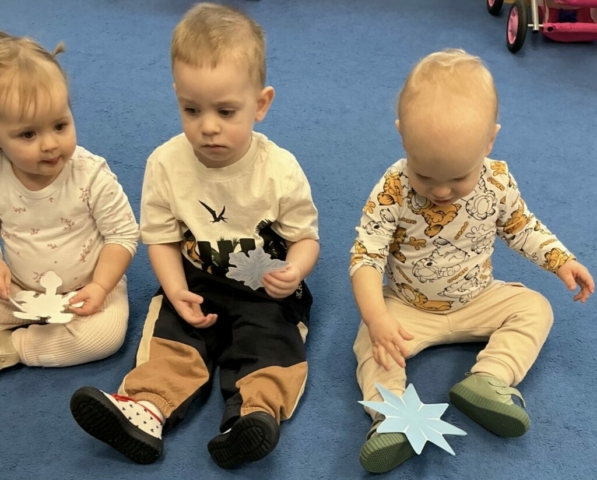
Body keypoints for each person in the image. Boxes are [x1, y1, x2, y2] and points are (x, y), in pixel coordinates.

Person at [70, 2, 320, 469]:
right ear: (177, 97)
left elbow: (306, 238)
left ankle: (253, 415)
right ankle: (146, 408)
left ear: (260, 104)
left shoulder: (280, 170)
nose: (208, 127)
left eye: (226, 111)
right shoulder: (165, 164)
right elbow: (161, 237)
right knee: (172, 338)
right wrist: (174, 289)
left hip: (264, 288)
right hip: (196, 283)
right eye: (191, 109)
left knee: (271, 343)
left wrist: (295, 270)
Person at [349, 48, 594, 474]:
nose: (441, 192)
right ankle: (392, 416)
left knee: (535, 308)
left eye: (459, 177)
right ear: (403, 136)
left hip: (478, 298)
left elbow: (521, 227)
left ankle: (490, 378)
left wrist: (560, 260)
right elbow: (366, 256)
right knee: (371, 344)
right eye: (425, 176)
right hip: (408, 307)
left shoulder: (497, 180)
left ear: (489, 141)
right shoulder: (393, 186)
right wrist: (377, 318)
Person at [0, 32, 139, 371]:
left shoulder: (90, 174)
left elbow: (123, 235)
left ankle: (17, 347)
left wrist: (101, 286)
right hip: (17, 288)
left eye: (60, 125)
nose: (50, 144)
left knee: (104, 336)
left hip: (88, 288)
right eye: (28, 134)